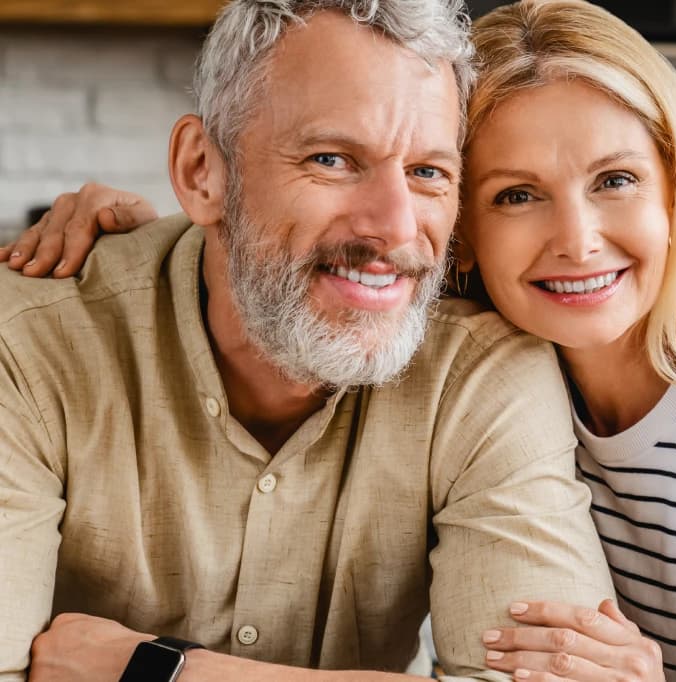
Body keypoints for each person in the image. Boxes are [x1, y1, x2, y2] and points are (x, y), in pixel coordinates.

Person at [7, 1, 676, 680]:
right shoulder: (516, 364)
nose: (576, 237)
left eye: (617, 179)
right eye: (515, 194)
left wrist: (149, 670)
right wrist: (120, 227)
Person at [0, 1, 613, 681]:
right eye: (332, 159)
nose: (394, 227)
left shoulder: (480, 372)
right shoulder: (26, 345)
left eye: (428, 172)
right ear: (203, 171)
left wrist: (159, 673)